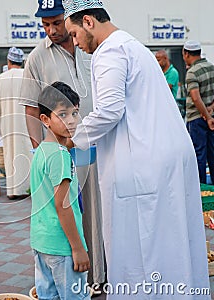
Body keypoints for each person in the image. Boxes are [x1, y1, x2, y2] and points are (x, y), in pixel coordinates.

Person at [64, 1, 209, 299]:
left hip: (145, 167)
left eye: (74, 34)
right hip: (164, 158)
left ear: (88, 22)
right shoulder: (132, 45)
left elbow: (109, 110)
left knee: (144, 253)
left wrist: (70, 137)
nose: (76, 44)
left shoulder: (109, 52)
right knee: (174, 245)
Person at [20, 0, 105, 286]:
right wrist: (40, 150)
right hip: (66, 155)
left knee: (102, 215)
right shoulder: (36, 58)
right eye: (45, 24)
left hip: (101, 148)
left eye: (56, 22)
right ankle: (78, 277)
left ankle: (101, 275)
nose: (51, 30)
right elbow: (31, 110)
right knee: (69, 209)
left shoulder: (92, 47)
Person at [30, 82, 90, 300]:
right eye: (63, 114)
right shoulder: (60, 156)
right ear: (45, 120)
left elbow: (64, 144)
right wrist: (78, 248)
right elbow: (62, 205)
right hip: (63, 246)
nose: (72, 120)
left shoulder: (42, 150)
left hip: (42, 242)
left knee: (49, 296)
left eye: (74, 112)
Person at [0, 47, 32, 199]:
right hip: (26, 122)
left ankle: (13, 191)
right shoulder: (27, 76)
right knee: (28, 153)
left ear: (8, 62)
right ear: (22, 62)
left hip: (8, 124)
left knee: (10, 155)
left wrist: (0, 126)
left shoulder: (0, 79)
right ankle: (29, 189)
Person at [182, 40, 214, 185]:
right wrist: (211, 110)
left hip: (197, 119)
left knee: (198, 155)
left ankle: (201, 189)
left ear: (186, 54)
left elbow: (195, 97)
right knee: (212, 154)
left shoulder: (192, 72)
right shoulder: (211, 67)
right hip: (211, 117)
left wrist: (206, 117)